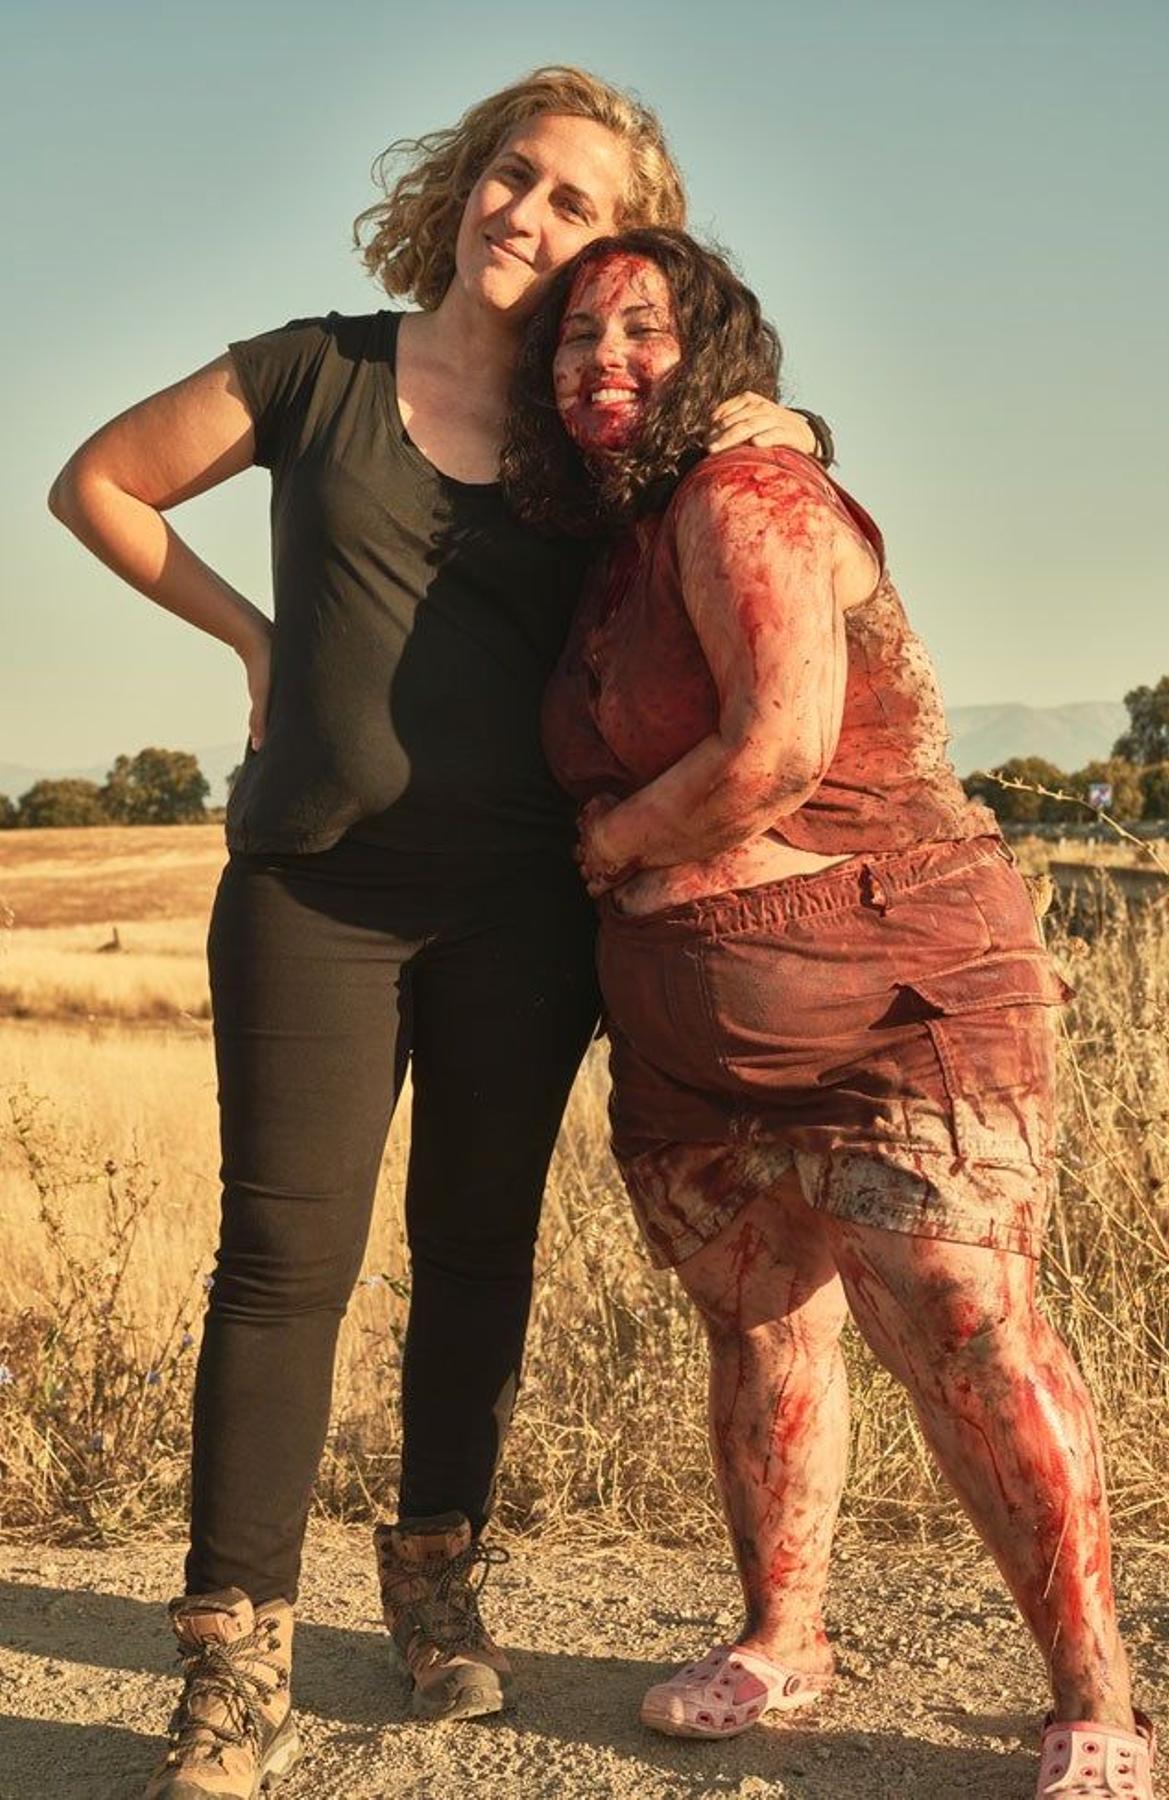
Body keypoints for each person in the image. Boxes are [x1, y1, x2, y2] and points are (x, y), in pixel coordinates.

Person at [47, 70, 827, 1799]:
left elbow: (745, 502)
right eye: (508, 177)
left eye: (569, 206)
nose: (523, 218)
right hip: (314, 894)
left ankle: (432, 1583)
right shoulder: (312, 367)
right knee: (280, 1272)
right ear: (458, 185)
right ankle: (232, 1664)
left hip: (523, 914)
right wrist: (253, 646)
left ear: (615, 252)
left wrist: (774, 431)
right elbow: (97, 482)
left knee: (477, 1256)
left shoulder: (599, 435)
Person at [507, 227, 1155, 1800]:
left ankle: (1099, 1700)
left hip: (888, 1001)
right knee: (762, 1321)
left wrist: (609, 846)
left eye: (643, 331)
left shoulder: (754, 493)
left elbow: (780, 748)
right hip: (696, 1047)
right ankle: (782, 1637)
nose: (604, 360)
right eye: (576, 339)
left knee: (969, 1326)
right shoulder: (620, 530)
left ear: (715, 350)